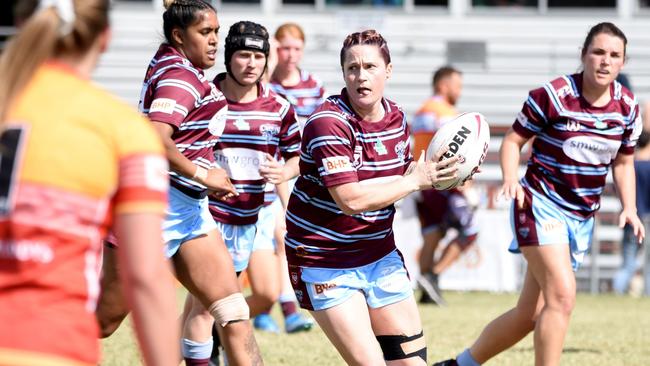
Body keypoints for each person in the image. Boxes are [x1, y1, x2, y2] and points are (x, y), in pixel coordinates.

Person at [433, 22, 645, 366]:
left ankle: (460, 364)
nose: (605, 61)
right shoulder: (553, 95)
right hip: (538, 204)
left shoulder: (628, 108)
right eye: (598, 52)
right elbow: (514, 141)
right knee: (561, 298)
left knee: (528, 315)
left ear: (623, 62)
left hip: (580, 216)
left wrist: (630, 207)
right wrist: (510, 178)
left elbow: (623, 163)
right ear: (583, 55)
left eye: (614, 55)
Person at [0, 1, 178, 365]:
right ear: (105, 38)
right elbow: (145, 278)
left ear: (20, 22)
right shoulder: (121, 130)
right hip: (53, 347)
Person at [94, 2, 264, 366]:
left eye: (217, 32)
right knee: (101, 324)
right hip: (151, 209)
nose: (216, 41)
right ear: (178, 36)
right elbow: (155, 137)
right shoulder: (181, 78)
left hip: (189, 209)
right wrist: (205, 175)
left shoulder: (174, 61)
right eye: (206, 33)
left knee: (233, 311)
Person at [284, 29, 460, 365]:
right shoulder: (328, 123)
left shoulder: (396, 118)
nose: (360, 76)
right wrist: (416, 182)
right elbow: (350, 200)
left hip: (379, 255)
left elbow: (403, 173)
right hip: (325, 260)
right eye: (352, 68)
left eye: (370, 67)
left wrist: (448, 171)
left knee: (411, 363)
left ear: (388, 71)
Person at [178, 20, 301, 364]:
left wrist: (284, 170)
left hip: (249, 218)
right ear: (229, 57)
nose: (251, 64)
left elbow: (297, 156)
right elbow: (176, 150)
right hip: (204, 219)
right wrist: (202, 175)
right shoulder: (203, 99)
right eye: (243, 55)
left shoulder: (278, 108)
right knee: (207, 308)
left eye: (258, 56)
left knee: (212, 306)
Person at [250, 22, 327, 334]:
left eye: (296, 48)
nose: (290, 54)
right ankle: (284, 309)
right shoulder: (266, 85)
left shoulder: (314, 86)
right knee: (279, 238)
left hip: (301, 172)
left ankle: (272, 308)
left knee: (284, 241)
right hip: (271, 170)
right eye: (284, 48)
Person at [410, 66, 479, 306]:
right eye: (456, 85)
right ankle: (434, 276)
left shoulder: (422, 110)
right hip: (443, 183)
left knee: (432, 236)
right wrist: (467, 186)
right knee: (470, 230)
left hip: (421, 183)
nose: (459, 91)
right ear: (443, 85)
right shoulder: (445, 113)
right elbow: (458, 152)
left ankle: (426, 294)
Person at [613, 130, 650, 295]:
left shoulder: (629, 166)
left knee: (627, 263)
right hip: (647, 219)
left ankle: (616, 293)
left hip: (631, 217)